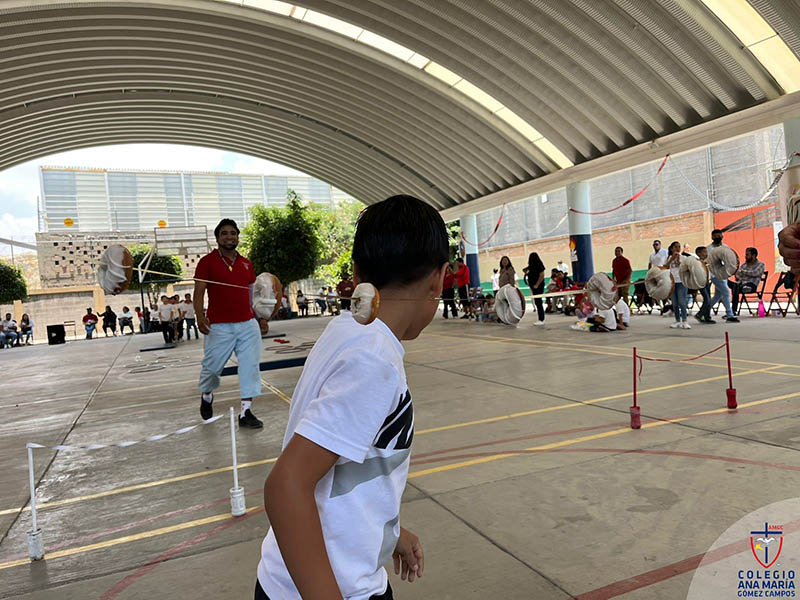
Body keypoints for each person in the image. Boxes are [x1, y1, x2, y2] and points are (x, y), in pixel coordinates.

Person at [255, 195, 436, 600]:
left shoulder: (348, 331)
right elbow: (287, 486)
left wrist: (390, 534)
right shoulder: (374, 357)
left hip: (298, 579)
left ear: (356, 272)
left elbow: (348, 472)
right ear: (439, 280)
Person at [195, 218, 263, 429]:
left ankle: (246, 412)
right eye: (224, 233)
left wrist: (260, 317)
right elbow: (199, 291)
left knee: (250, 366)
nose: (229, 237)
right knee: (212, 368)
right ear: (217, 238)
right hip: (219, 326)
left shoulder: (246, 263)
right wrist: (199, 316)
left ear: (238, 237)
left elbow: (253, 294)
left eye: (233, 233)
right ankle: (207, 395)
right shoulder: (207, 262)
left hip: (247, 324)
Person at [708, 229, 739, 323]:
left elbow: (730, 260)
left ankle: (704, 311)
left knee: (718, 295)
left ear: (722, 236)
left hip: (724, 274)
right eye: (715, 236)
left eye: (719, 235)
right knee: (726, 292)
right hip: (715, 274)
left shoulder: (725, 247)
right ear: (712, 237)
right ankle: (730, 315)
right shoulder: (709, 249)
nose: (717, 237)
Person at [730, 247, 765, 313]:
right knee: (727, 282)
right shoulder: (744, 265)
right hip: (740, 284)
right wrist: (737, 274)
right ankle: (732, 311)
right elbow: (738, 275)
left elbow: (755, 273)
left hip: (751, 285)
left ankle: (733, 311)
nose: (745, 256)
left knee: (735, 287)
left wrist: (744, 272)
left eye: (747, 255)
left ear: (753, 255)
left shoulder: (760, 264)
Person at [666, 241, 691, 329]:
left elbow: (687, 268)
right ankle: (677, 320)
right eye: (675, 247)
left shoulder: (684, 258)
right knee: (675, 303)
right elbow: (665, 267)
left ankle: (684, 320)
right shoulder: (668, 258)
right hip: (672, 282)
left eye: (679, 247)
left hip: (681, 282)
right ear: (671, 248)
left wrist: (679, 260)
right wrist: (671, 259)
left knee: (682, 302)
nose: (677, 248)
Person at [693, 246, 716, 325]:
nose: (706, 253)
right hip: (701, 282)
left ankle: (707, 317)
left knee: (708, 299)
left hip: (707, 281)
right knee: (707, 299)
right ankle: (700, 314)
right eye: (704, 252)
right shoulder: (697, 262)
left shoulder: (707, 261)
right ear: (698, 253)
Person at [525, 252, 546, 326]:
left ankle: (541, 319)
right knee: (537, 302)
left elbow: (542, 275)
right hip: (533, 286)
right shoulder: (531, 267)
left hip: (538, 286)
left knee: (538, 302)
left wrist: (537, 284)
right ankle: (540, 318)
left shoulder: (539, 265)